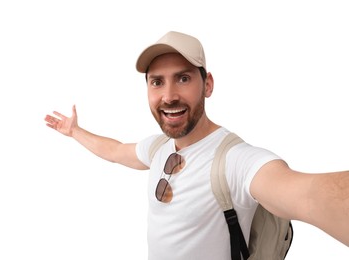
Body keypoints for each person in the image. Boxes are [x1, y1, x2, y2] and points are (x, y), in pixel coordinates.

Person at [45, 31, 349, 259]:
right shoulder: (158, 147)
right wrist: (75, 131)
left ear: (208, 84)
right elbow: (115, 150)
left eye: (183, 78)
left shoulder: (236, 161)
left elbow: (310, 196)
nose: (169, 96)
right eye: (157, 82)